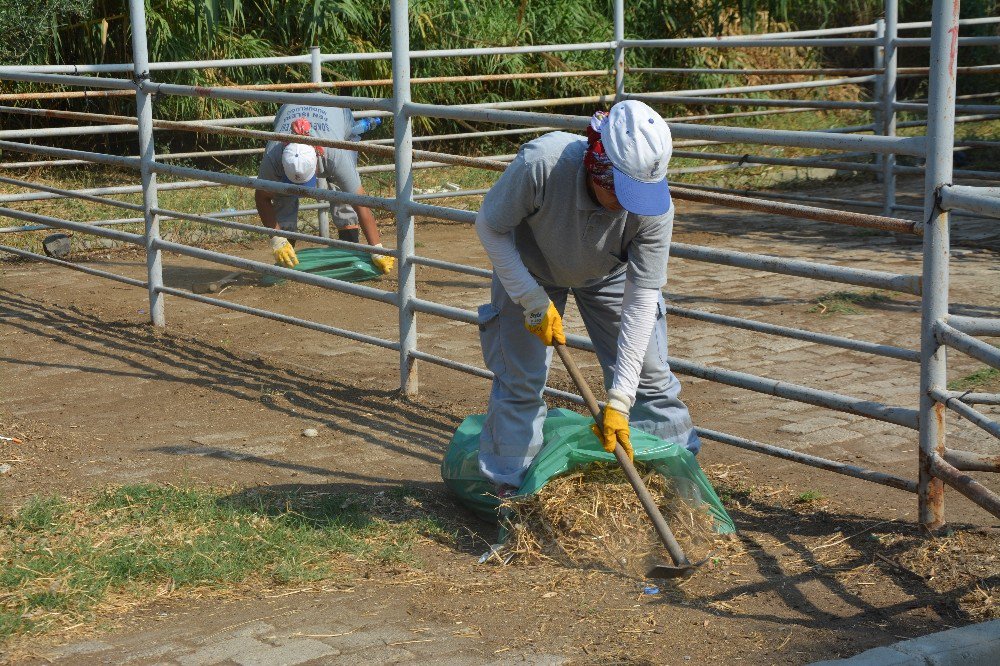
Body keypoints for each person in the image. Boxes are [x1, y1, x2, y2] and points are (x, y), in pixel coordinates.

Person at [475, 99, 701, 491]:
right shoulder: (542, 164)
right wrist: (530, 298)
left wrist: (619, 399)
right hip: (531, 270)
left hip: (609, 273)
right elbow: (490, 227)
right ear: (597, 166)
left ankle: (675, 479)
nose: (630, 205)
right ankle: (511, 492)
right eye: (621, 191)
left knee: (650, 377)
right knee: (521, 381)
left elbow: (643, 294)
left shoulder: (653, 207)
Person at [255, 103, 393, 273]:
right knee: (282, 194)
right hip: (289, 107)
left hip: (336, 111)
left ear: (316, 160)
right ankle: (286, 253)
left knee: (343, 191)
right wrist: (276, 238)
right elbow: (262, 197)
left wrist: (377, 249)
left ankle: (348, 250)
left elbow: (360, 202)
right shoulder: (273, 156)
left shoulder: (335, 154)